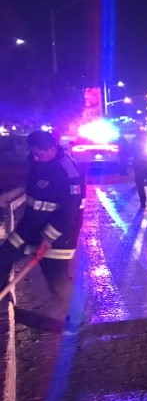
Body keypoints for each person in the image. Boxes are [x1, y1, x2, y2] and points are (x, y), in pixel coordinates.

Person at [0, 130, 85, 328]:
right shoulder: (37, 163)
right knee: (3, 257)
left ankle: (76, 318)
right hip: (28, 230)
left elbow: (69, 213)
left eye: (39, 153)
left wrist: (48, 237)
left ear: (51, 148)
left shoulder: (68, 172)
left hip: (57, 236)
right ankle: (3, 300)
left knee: (56, 281)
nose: (36, 157)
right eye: (33, 153)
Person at [131, 129, 147, 208]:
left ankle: (144, 201)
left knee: (142, 184)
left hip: (142, 165)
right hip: (145, 165)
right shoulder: (145, 141)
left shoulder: (136, 141)